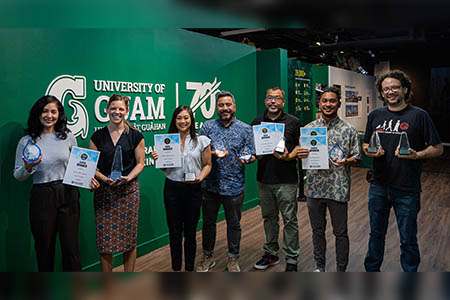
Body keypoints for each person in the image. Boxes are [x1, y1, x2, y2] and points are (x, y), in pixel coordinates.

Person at [363, 70, 443, 272]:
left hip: (407, 189)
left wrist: (417, 155)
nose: (390, 91)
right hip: (378, 186)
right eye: (386, 88)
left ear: (405, 89)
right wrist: (371, 152)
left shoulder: (419, 115)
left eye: (395, 87)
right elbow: (366, 145)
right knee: (375, 234)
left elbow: (438, 148)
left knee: (408, 238)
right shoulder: (375, 116)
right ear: (382, 92)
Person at [13, 95, 99, 271]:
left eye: (54, 111)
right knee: (44, 248)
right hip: (42, 196)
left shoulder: (67, 136)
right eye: (45, 111)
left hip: (68, 193)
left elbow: (78, 166)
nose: (49, 115)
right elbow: (18, 175)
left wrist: (88, 179)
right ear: (38, 114)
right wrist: (28, 168)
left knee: (71, 248)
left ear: (60, 114)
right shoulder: (27, 141)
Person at [297, 86, 361, 272]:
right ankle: (320, 267)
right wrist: (301, 154)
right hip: (314, 189)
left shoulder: (349, 130)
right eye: (324, 101)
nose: (328, 104)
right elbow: (304, 156)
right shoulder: (309, 129)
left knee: (340, 233)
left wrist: (346, 161)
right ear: (319, 103)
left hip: (337, 188)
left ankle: (341, 269)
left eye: (332, 101)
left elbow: (357, 158)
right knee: (317, 231)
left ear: (339, 104)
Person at [195, 90, 255, 272]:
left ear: (234, 107)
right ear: (216, 107)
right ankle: (208, 256)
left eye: (228, 104)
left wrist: (247, 158)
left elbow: (252, 154)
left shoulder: (245, 129)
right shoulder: (206, 127)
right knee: (208, 223)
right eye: (221, 105)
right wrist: (214, 153)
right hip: (210, 186)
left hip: (235, 186)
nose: (225, 108)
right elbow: (198, 153)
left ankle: (233, 258)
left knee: (234, 225)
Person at [151, 105, 212, 272]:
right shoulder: (166, 141)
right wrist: (159, 159)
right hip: (172, 189)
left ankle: (190, 269)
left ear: (191, 119)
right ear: (174, 120)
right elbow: (165, 169)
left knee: (190, 233)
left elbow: (207, 165)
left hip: (193, 189)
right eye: (179, 118)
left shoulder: (202, 140)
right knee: (175, 232)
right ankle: (176, 269)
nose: (182, 121)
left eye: (186, 117)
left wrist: (201, 177)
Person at [89, 94, 145, 272]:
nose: (117, 112)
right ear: (106, 110)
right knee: (105, 242)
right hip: (104, 195)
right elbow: (92, 167)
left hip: (128, 193)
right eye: (113, 108)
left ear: (127, 111)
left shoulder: (136, 136)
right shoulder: (97, 137)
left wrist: (129, 178)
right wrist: (104, 179)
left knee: (129, 240)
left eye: (121, 109)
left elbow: (140, 163)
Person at [251, 87, 302, 272]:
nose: (273, 101)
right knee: (269, 218)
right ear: (266, 101)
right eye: (270, 98)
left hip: (287, 180)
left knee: (290, 219)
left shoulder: (293, 122)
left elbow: (299, 147)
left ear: (283, 102)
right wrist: (257, 154)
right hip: (264, 180)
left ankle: (292, 259)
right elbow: (254, 148)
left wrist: (289, 157)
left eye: (277, 98)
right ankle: (271, 253)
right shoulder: (257, 121)